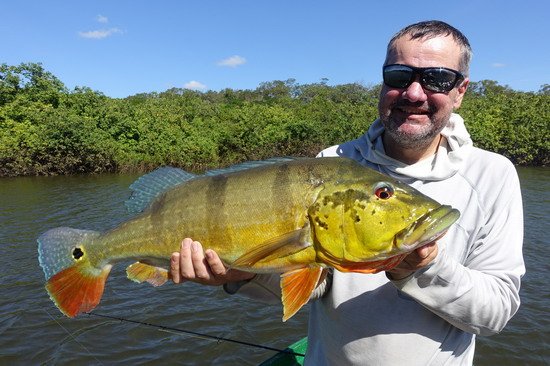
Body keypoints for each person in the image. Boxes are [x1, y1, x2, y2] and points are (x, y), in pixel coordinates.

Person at [169, 20, 525, 365]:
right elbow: (310, 285)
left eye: (437, 79)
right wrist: (240, 276)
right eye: (399, 76)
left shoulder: (492, 175)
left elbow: (495, 315)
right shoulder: (332, 163)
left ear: (460, 91)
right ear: (383, 82)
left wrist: (424, 267)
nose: (414, 93)